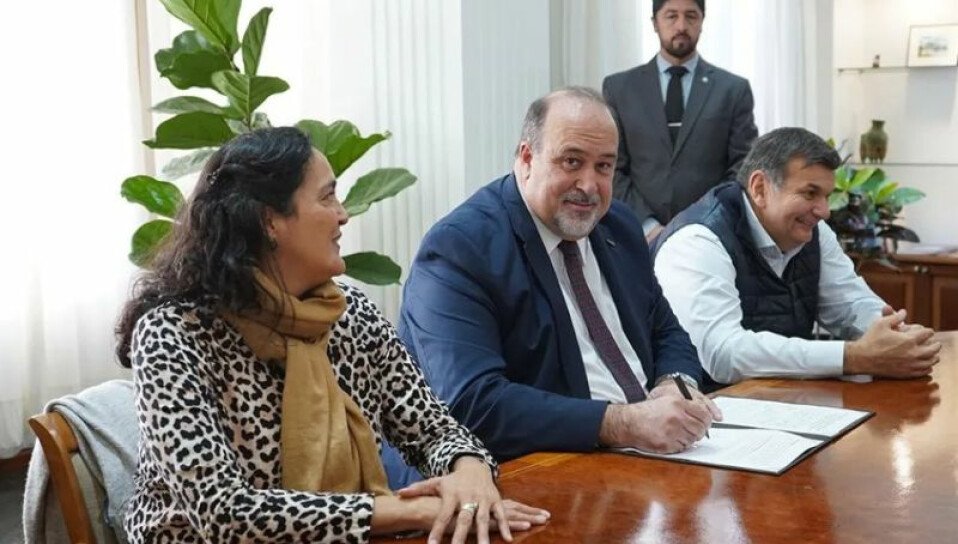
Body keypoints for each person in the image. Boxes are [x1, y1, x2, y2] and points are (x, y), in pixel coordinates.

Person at [115, 127, 548, 544]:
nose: (343, 214)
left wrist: (469, 471)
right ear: (269, 221)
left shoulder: (348, 313)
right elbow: (223, 513)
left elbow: (432, 429)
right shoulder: (173, 334)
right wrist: (414, 511)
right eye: (327, 197)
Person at [398, 87, 721, 463]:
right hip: (537, 466)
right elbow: (472, 403)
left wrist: (673, 384)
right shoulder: (460, 247)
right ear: (526, 158)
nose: (589, 185)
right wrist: (622, 423)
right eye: (572, 162)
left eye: (604, 166)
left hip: (656, 453)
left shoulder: (618, 226)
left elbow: (666, 332)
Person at [652, 127, 942, 388]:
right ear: (760, 188)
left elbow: (849, 303)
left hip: (783, 401)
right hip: (704, 412)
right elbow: (723, 354)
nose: (824, 211)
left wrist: (893, 335)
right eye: (810, 194)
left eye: (827, 196)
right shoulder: (698, 240)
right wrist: (853, 357)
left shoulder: (812, 231)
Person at [602, 0, 758, 241]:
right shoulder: (619, 88)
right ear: (655, 23)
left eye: (691, 16)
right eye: (671, 16)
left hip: (711, 236)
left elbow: (743, 166)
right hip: (636, 237)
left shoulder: (733, 90)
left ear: (702, 22)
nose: (681, 26)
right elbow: (612, 166)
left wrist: (704, 221)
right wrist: (647, 226)